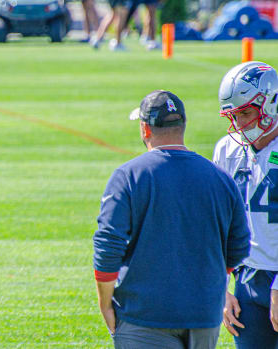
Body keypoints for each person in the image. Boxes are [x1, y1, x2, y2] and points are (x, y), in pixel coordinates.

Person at [93, 90, 250, 348]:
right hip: (203, 315)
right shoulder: (220, 178)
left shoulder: (127, 177)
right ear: (183, 126)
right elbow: (239, 244)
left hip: (144, 317)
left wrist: (105, 303)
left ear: (145, 129)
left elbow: (108, 245)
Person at [214, 61, 278, 349]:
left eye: (245, 113)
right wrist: (221, 287)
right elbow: (217, 222)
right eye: (233, 116)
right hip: (247, 278)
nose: (239, 125)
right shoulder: (227, 150)